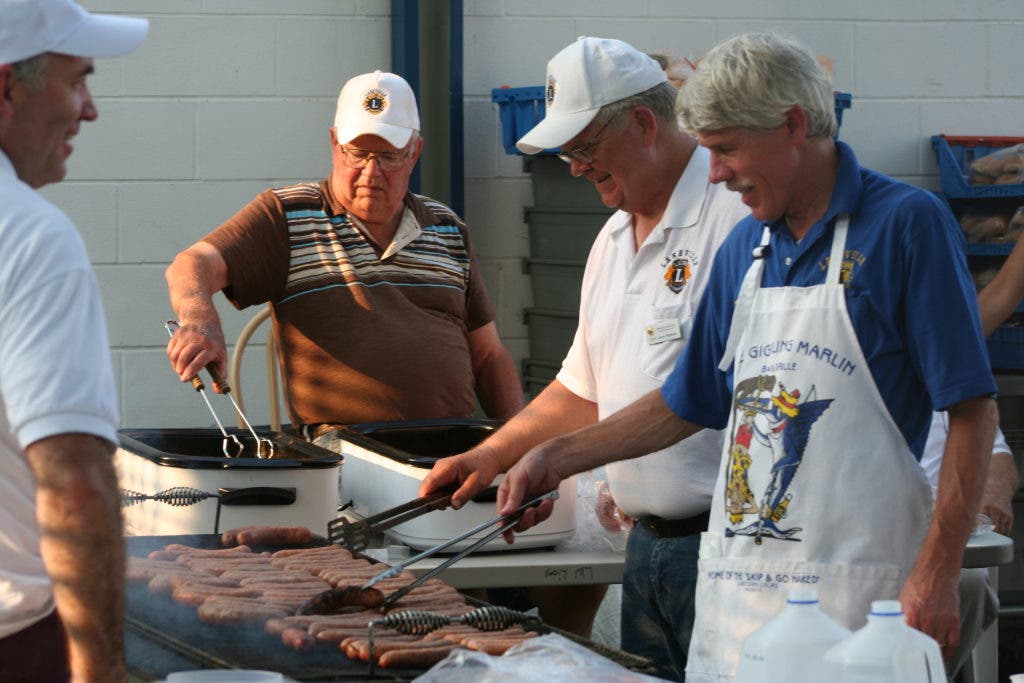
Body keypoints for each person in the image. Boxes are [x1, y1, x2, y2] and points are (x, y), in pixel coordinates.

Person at [492, 31, 999, 682]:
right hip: (741, 598)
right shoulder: (747, 252)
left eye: (727, 148)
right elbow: (686, 403)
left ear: (793, 127)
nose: (718, 173)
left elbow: (972, 409)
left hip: (861, 598)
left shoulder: (905, 225)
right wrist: (551, 456)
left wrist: (938, 569)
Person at [419, 36, 748, 676]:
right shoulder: (610, 239)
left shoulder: (731, 219)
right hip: (647, 548)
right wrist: (491, 455)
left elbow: (705, 394)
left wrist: (557, 458)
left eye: (584, 147)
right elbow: (581, 389)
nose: (573, 166)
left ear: (645, 124)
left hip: (726, 549)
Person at [165, 70, 523, 432]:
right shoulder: (288, 216)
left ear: (415, 153)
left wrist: (518, 442)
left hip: (450, 453)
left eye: (388, 156)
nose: (371, 172)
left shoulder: (447, 227)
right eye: (358, 153)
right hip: (343, 459)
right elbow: (191, 264)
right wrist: (199, 319)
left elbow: (488, 355)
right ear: (335, 144)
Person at [0, 1, 148, 681]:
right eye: (76, 81)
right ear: (6, 88)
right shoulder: (31, 237)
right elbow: (73, 484)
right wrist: (102, 669)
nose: (89, 110)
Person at [920, 410, 1018, 678]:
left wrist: (994, 491)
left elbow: (997, 455)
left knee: (971, 582)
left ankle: (935, 675)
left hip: (940, 536)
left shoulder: (942, 388)